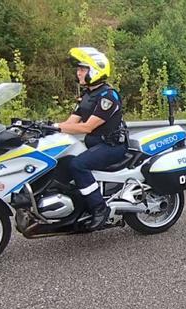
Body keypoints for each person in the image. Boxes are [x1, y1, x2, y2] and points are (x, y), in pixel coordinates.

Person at [55, 46, 127, 230]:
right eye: (78, 69)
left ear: (95, 70)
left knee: (78, 165)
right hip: (95, 144)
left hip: (112, 146)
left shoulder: (108, 96)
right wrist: (48, 128)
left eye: (82, 69)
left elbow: (87, 127)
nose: (78, 73)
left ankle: (99, 209)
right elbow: (70, 122)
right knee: (62, 162)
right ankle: (74, 207)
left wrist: (58, 126)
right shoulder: (87, 95)